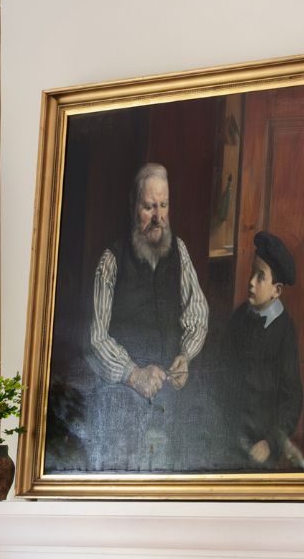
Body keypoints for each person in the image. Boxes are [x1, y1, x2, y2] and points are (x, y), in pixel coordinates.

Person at [76, 157, 207, 472]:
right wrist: (133, 375)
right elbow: (95, 339)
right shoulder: (112, 261)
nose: (159, 217)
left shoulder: (180, 252)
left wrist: (186, 356)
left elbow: (198, 313)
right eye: (149, 207)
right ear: (133, 207)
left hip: (172, 401)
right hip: (121, 400)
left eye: (164, 205)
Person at [195, 230, 304, 471]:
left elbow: (292, 398)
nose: (251, 282)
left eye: (260, 277)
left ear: (276, 290)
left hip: (261, 447)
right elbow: (220, 376)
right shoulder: (238, 318)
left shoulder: (284, 331)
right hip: (229, 440)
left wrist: (270, 442)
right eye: (252, 272)